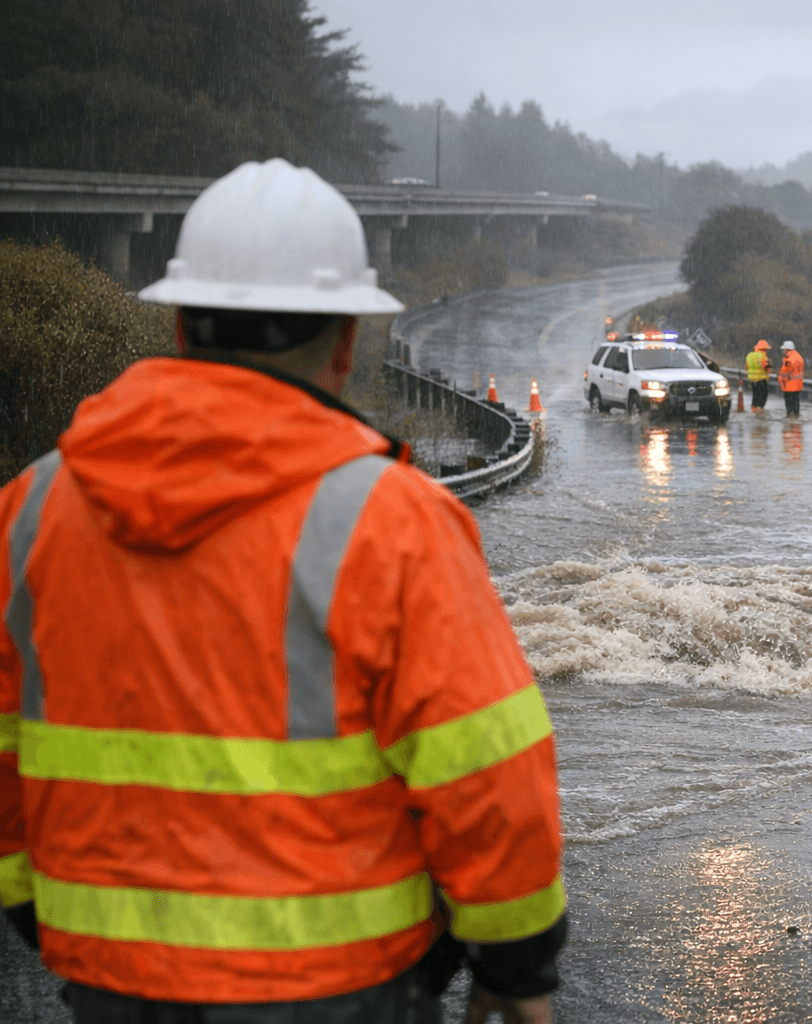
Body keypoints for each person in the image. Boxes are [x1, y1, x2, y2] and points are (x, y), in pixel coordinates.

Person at [0, 159, 566, 1023]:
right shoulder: (393, 521)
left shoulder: (32, 509)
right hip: (340, 987)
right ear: (345, 343)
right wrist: (517, 966)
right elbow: (488, 767)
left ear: (181, 325)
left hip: (113, 982)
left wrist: (40, 913)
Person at [777, 340, 804, 417]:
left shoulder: (788, 359)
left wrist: (781, 381)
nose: (783, 351)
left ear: (786, 349)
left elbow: (784, 372)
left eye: (783, 349)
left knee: (789, 403)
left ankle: (790, 417)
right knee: (796, 401)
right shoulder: (799, 357)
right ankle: (796, 416)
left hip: (789, 385)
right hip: (798, 385)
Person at [746, 339, 773, 412]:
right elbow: (765, 366)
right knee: (763, 395)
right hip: (761, 379)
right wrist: (769, 364)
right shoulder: (763, 356)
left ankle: (753, 408)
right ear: (764, 349)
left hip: (752, 379)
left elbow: (746, 366)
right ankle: (760, 409)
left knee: (755, 395)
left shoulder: (750, 355)